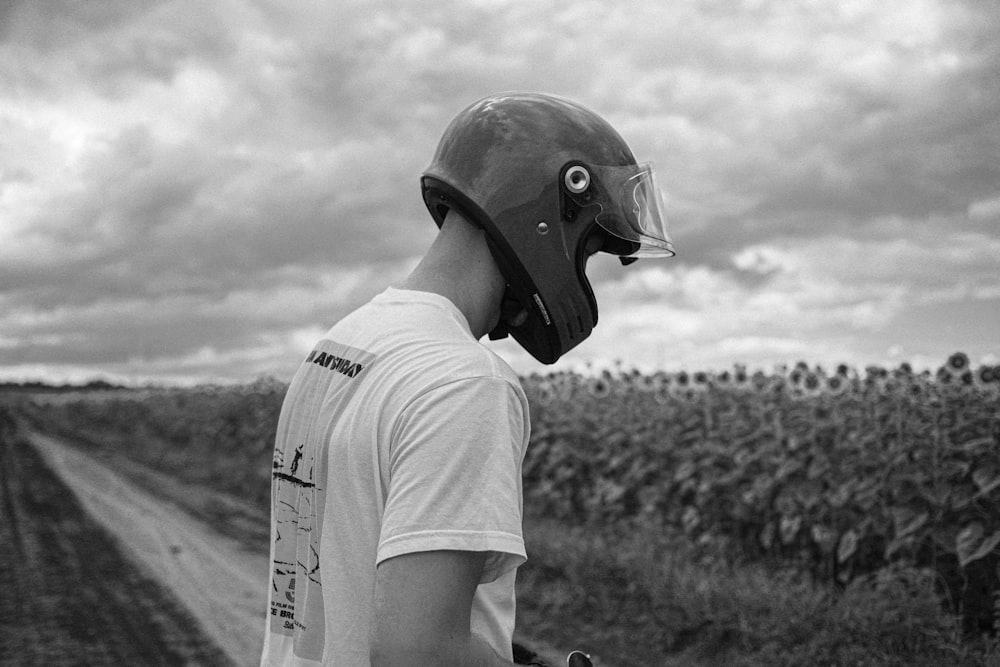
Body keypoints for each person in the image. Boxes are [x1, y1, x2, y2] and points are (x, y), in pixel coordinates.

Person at [260, 91, 675, 666]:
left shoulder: (343, 346)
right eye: (587, 254)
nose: (579, 276)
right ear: (551, 212)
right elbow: (417, 652)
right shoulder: (464, 384)